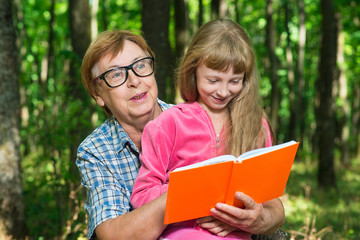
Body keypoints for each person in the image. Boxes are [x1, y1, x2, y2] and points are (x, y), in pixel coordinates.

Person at [131, 19, 285, 239]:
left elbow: (266, 195)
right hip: (182, 233)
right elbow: (142, 195)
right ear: (193, 71)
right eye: (213, 80)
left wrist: (241, 215)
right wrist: (194, 192)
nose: (223, 91)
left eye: (235, 81)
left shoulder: (256, 124)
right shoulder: (169, 123)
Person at [76, 30, 173, 239]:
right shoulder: (95, 151)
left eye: (140, 65)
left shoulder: (194, 119)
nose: (135, 81)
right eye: (117, 74)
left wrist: (262, 220)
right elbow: (113, 235)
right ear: (98, 94)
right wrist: (187, 192)